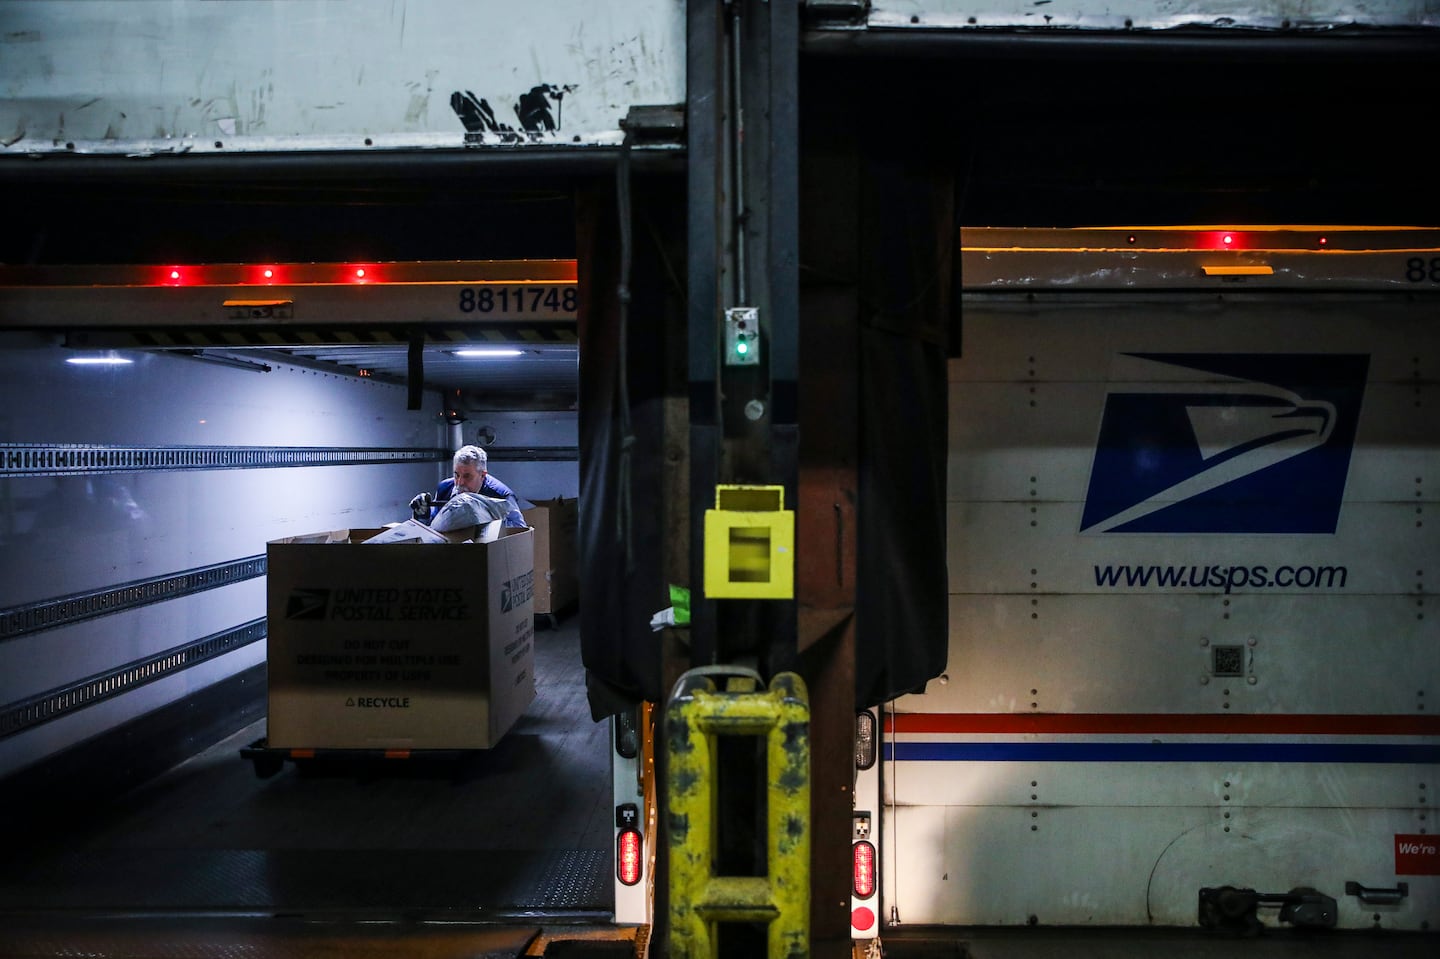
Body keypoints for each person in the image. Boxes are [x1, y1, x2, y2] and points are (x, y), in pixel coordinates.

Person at [410, 444, 526, 527]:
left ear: (483, 475)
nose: (460, 482)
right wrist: (423, 514)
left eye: (467, 476)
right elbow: (431, 526)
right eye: (456, 475)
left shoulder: (501, 496)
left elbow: (519, 530)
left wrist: (486, 522)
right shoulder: (445, 489)